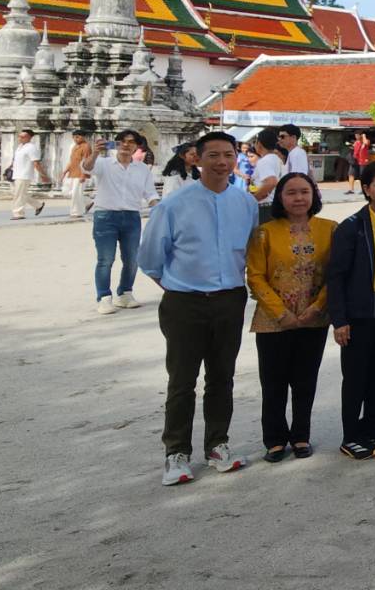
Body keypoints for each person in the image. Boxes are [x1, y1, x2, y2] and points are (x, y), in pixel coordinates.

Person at [138, 131, 258, 486]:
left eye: (228, 155)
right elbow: (151, 259)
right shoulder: (174, 204)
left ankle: (218, 444)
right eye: (213, 155)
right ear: (197, 158)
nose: (222, 162)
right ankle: (176, 452)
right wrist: (181, 288)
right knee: (182, 380)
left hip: (229, 300)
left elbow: (250, 250)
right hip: (184, 302)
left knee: (222, 377)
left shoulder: (246, 204)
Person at [246, 172, 335, 462]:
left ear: (314, 196)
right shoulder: (264, 233)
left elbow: (336, 274)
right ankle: (274, 440)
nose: (299, 198)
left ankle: (300, 436)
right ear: (280, 198)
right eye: (291, 193)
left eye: (304, 192)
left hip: (314, 318)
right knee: (273, 383)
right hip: (273, 321)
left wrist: (317, 307)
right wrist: (281, 313)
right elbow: (255, 276)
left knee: (305, 381)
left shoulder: (329, 229)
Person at [327, 160, 375, 460]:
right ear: (366, 189)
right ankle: (350, 435)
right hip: (360, 310)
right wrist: (339, 320)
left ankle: (372, 427)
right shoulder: (351, 227)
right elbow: (336, 276)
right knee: (356, 375)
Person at [82, 130, 158, 315]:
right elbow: (86, 168)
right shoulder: (104, 163)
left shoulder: (142, 169)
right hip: (106, 216)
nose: (126, 145)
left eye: (131, 142)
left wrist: (160, 210)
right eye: (122, 141)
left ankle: (125, 293)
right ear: (116, 144)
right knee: (106, 259)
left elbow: (150, 193)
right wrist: (95, 152)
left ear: (137, 146)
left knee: (132, 259)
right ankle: (104, 297)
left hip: (131, 216)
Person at [8, 128, 49, 219]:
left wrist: (43, 175)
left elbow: (36, 163)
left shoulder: (31, 148)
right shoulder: (20, 147)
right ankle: (38, 205)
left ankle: (18, 213)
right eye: (19, 136)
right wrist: (10, 168)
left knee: (18, 195)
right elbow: (15, 160)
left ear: (29, 137)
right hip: (16, 173)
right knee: (18, 194)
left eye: (23, 137)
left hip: (24, 175)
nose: (20, 138)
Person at [250, 129, 283, 207]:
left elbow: (271, 182)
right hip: (273, 203)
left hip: (264, 205)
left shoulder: (265, 161)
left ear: (259, 143)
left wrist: (253, 199)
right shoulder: (277, 159)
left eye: (255, 142)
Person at [62, 130, 89, 218]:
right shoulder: (74, 147)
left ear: (83, 137)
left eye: (78, 137)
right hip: (73, 172)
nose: (75, 139)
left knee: (75, 193)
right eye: (74, 137)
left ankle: (76, 212)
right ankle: (88, 202)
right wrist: (65, 171)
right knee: (68, 192)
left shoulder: (86, 147)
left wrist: (83, 175)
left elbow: (86, 162)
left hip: (81, 173)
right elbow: (72, 160)